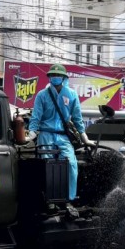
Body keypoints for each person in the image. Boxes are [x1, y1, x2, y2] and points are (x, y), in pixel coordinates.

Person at [27, 63, 94, 205]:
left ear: (64, 78)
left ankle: (68, 198)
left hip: (63, 136)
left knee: (71, 164)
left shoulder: (71, 94)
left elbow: (77, 118)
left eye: (58, 75)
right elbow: (36, 117)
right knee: (46, 165)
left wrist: (85, 138)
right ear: (49, 78)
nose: (55, 77)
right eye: (52, 75)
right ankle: (48, 199)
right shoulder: (42, 95)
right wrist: (31, 134)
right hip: (45, 134)